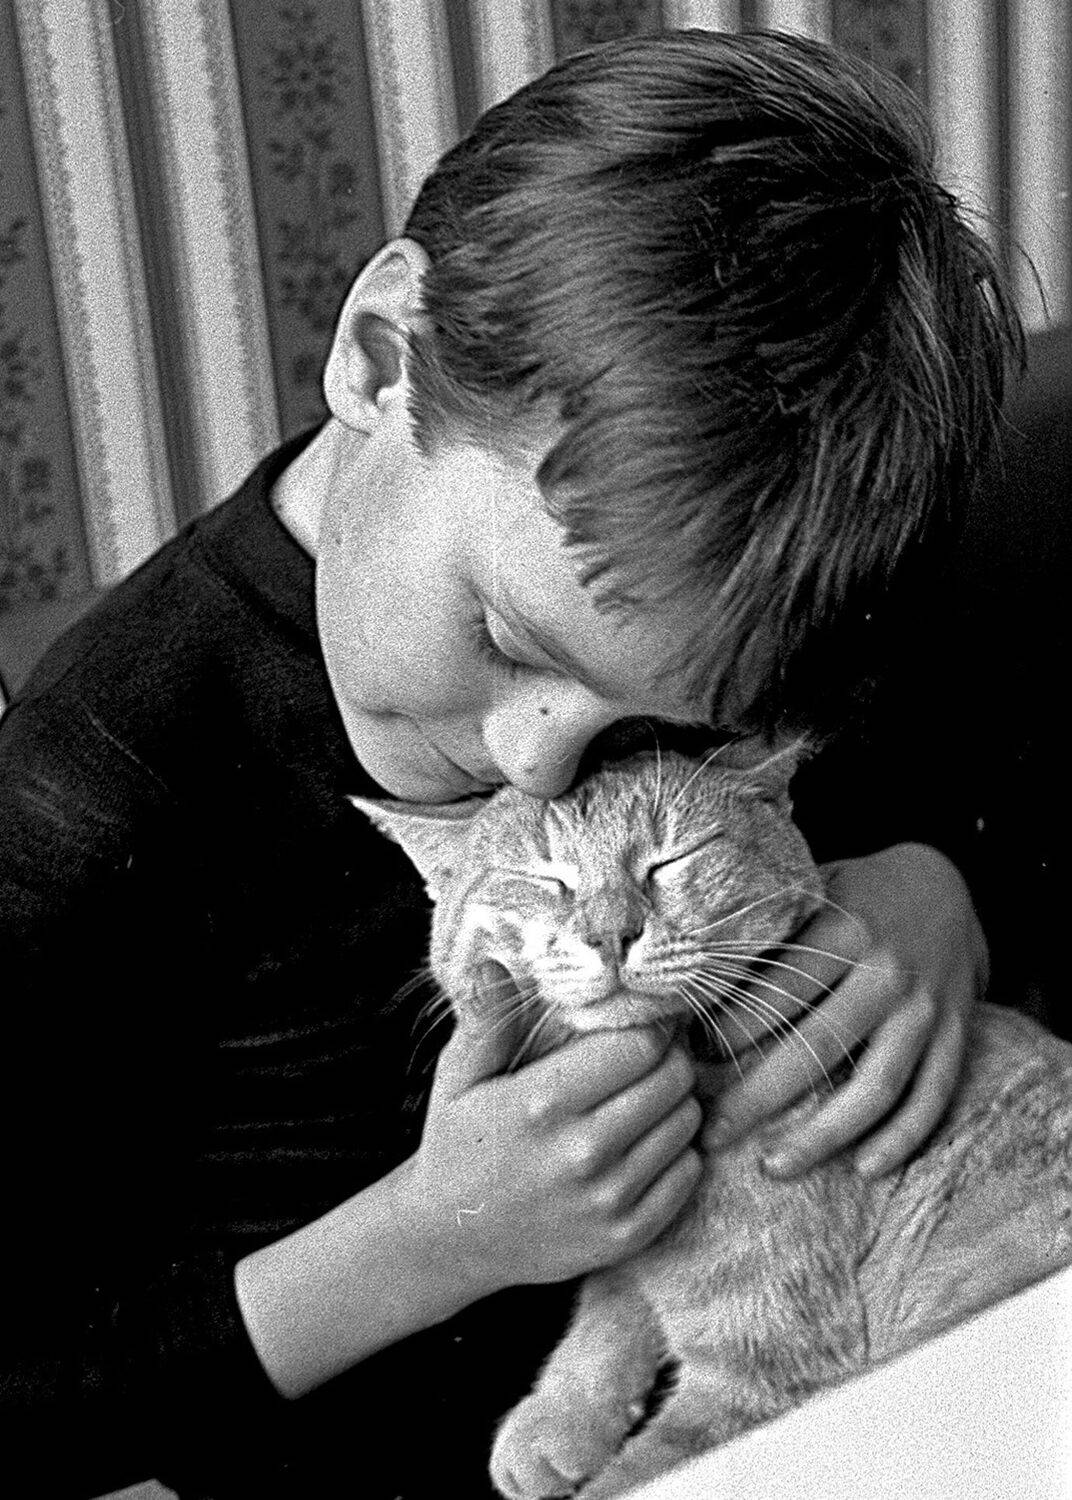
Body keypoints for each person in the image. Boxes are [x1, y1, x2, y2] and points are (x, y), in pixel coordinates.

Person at [0, 28, 1021, 1500]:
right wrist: (428, 1240)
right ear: (378, 358)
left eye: (649, 715)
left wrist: (935, 891)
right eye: (501, 633)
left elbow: (901, 789)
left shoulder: (743, 599)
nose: (538, 763)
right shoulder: (93, 787)